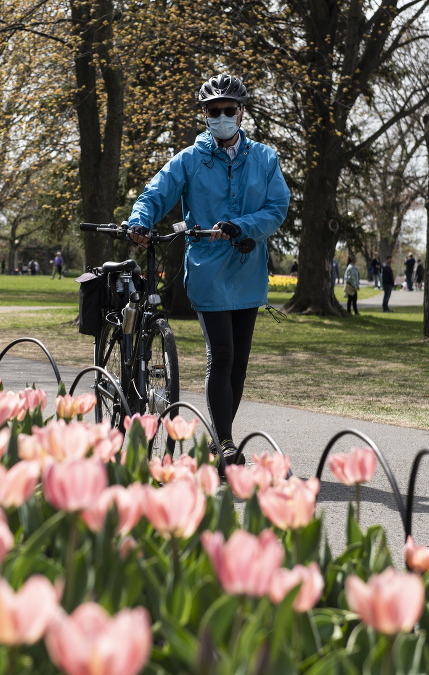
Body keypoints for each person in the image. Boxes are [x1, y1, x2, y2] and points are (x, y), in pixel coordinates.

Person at [127, 73, 290, 470]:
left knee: (240, 360)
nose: (221, 117)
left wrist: (245, 225)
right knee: (222, 354)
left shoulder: (265, 158)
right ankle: (227, 440)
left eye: (228, 110)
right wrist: (139, 221)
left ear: (241, 113)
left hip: (248, 269)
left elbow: (277, 208)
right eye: (213, 111)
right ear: (205, 115)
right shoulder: (189, 159)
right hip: (207, 268)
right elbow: (156, 192)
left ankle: (222, 441)